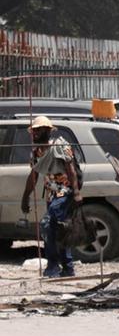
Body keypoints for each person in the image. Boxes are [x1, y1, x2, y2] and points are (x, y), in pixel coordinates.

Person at [20, 116, 82, 278]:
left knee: (48, 225)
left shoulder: (60, 145)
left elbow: (71, 170)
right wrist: (25, 197)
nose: (34, 133)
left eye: (38, 130)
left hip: (65, 192)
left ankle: (54, 266)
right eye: (33, 130)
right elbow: (33, 176)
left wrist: (76, 192)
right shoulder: (36, 152)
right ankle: (65, 268)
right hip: (51, 194)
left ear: (47, 131)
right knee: (58, 230)